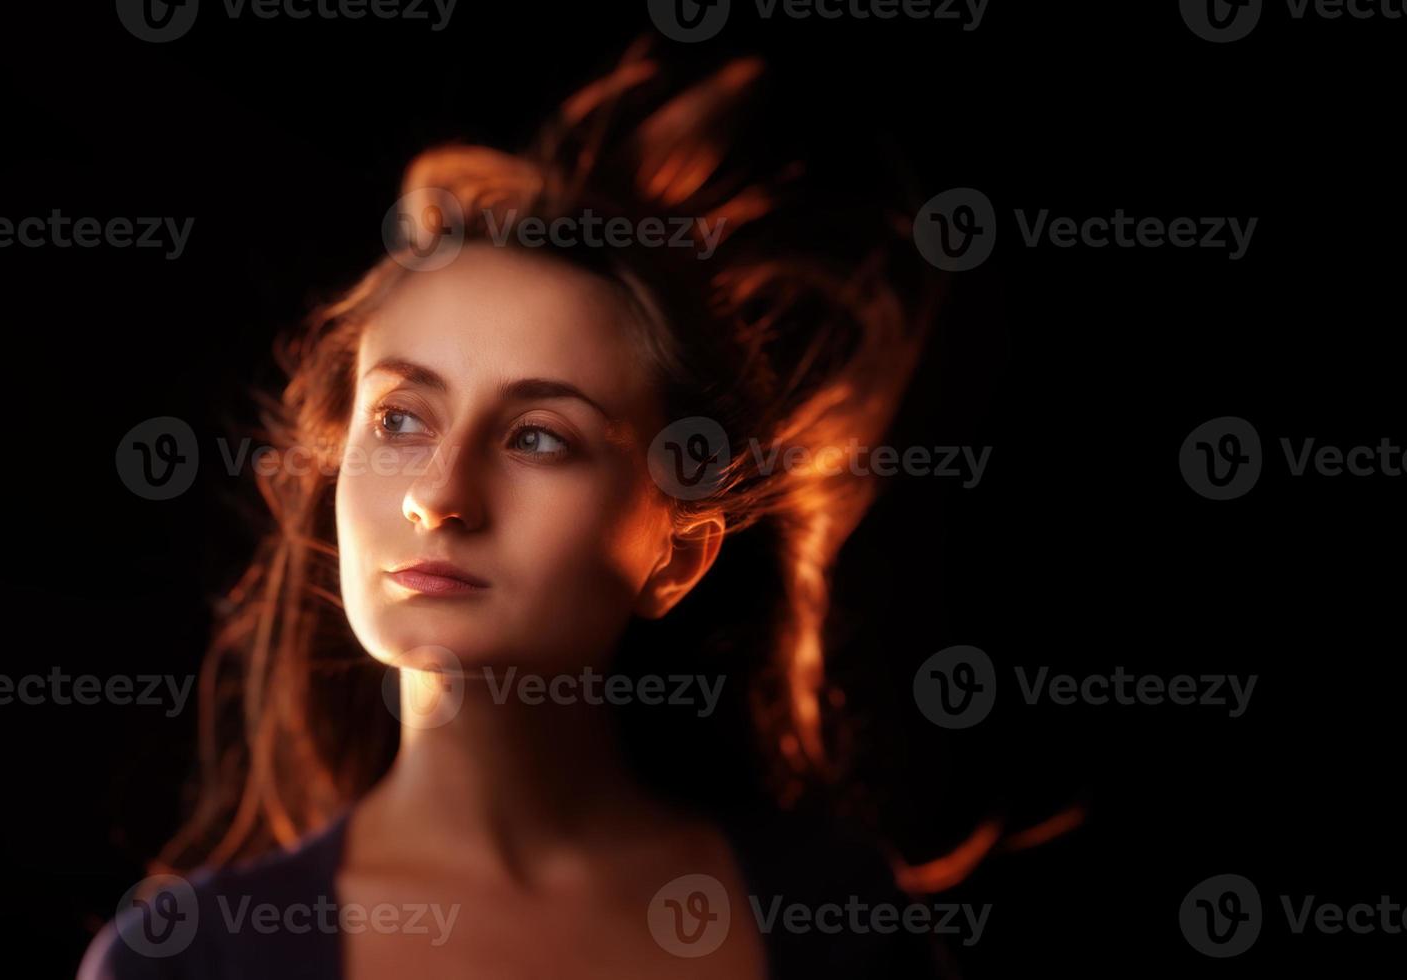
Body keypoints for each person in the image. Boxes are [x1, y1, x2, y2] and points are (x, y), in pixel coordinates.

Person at [80, 39, 941, 979]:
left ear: (677, 556)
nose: (438, 497)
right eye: (401, 418)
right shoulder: (188, 964)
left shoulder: (830, 915)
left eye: (538, 437)